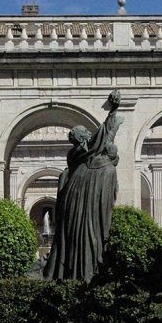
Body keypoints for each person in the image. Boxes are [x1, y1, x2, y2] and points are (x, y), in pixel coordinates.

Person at [44, 90, 124, 283]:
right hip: (80, 205)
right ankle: (84, 275)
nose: (90, 134)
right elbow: (103, 138)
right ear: (81, 139)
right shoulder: (80, 154)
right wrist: (113, 112)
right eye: (86, 133)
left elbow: (103, 139)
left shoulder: (82, 159)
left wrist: (113, 114)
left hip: (80, 204)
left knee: (83, 237)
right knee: (86, 236)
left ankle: (78, 274)